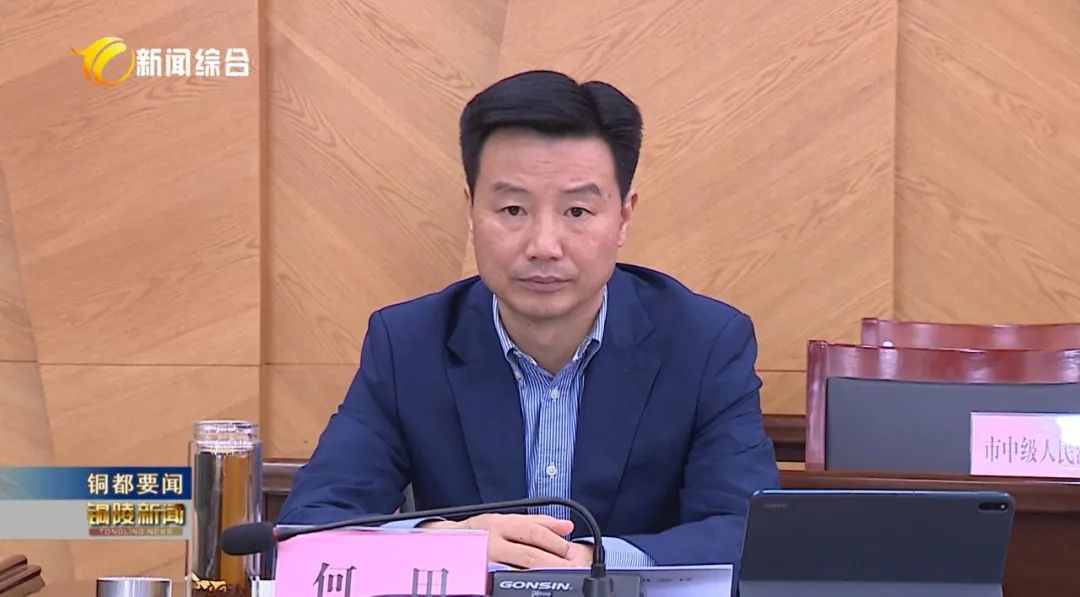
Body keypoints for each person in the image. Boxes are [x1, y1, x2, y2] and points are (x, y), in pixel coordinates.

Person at [277, 69, 780, 569]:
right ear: (471, 210)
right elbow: (312, 524)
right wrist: (450, 544)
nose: (544, 246)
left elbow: (744, 531)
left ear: (624, 218)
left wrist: (593, 563)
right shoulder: (408, 344)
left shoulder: (704, 342)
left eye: (577, 212)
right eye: (513, 210)